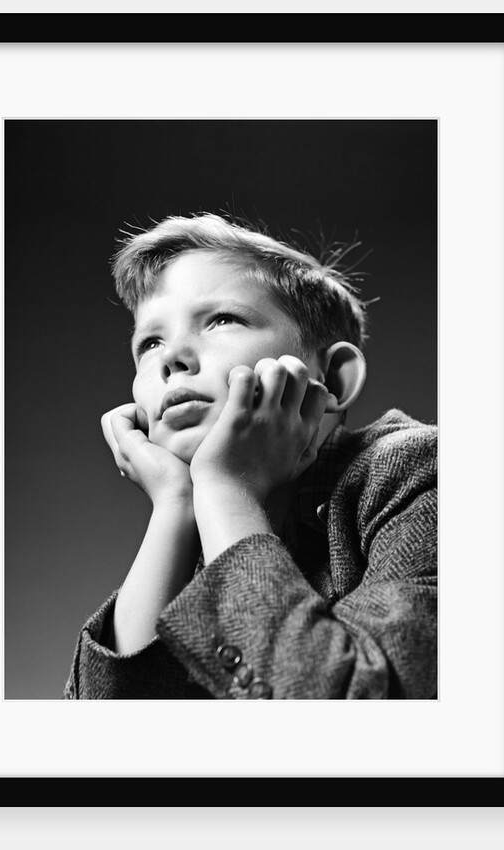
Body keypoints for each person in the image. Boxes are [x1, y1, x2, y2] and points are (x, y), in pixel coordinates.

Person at [63, 212, 437, 700]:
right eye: (149, 342)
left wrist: (225, 487)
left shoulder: (420, 471)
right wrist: (175, 507)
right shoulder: (203, 534)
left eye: (222, 320)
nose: (171, 357)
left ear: (334, 378)